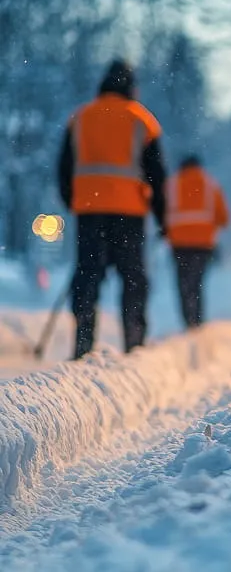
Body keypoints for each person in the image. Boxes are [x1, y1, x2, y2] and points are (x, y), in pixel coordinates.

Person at [57, 59, 167, 359]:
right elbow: (157, 174)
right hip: (129, 214)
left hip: (89, 212)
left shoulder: (80, 118)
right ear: (131, 86)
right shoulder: (142, 121)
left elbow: (64, 167)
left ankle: (82, 345)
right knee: (132, 278)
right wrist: (162, 217)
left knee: (87, 275)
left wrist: (73, 201)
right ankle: (134, 343)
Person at [165, 155, 230, 328]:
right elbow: (224, 218)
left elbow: (161, 211)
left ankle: (188, 320)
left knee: (183, 282)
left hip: (178, 244)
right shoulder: (210, 184)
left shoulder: (171, 184)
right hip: (203, 244)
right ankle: (197, 319)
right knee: (197, 282)